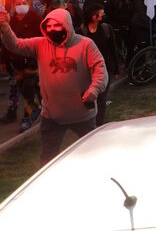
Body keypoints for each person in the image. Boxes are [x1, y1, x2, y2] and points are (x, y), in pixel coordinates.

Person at [0, 8, 108, 164]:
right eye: (48, 27)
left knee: (94, 154)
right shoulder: (40, 44)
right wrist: (5, 27)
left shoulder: (86, 44)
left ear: (67, 25)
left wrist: (94, 89)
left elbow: (100, 69)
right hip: (52, 116)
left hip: (82, 114)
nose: (52, 30)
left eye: (56, 26)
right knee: (48, 158)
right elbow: (16, 45)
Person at [1, 0, 43, 131]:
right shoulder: (10, 21)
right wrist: (4, 61)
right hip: (15, 64)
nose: (21, 5)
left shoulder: (36, 19)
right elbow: (5, 43)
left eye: (24, 3)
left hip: (32, 64)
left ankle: (27, 117)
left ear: (29, 4)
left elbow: (41, 41)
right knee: (20, 88)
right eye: (18, 3)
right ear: (13, 6)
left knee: (28, 88)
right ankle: (31, 109)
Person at [80, 3, 120, 126]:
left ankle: (99, 124)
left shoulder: (106, 28)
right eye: (100, 12)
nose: (102, 14)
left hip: (104, 68)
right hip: (87, 69)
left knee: (102, 98)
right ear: (92, 15)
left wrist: (116, 68)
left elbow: (113, 48)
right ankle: (89, 122)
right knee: (89, 97)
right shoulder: (82, 31)